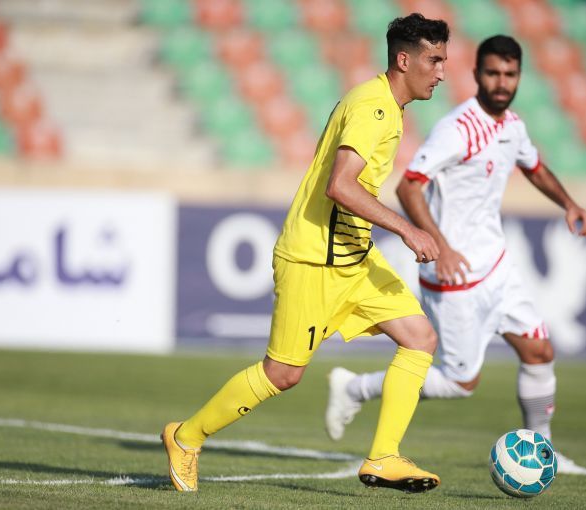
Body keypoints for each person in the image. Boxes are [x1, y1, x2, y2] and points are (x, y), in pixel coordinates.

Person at [161, 13, 450, 493]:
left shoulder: (385, 105)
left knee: (420, 337)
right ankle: (185, 438)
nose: (442, 72)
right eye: (434, 60)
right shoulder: (374, 108)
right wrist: (407, 229)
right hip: (315, 259)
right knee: (283, 374)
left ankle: (384, 457)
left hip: (353, 258)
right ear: (404, 60)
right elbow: (341, 185)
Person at [325, 35, 586, 476]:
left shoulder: (513, 126)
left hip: (497, 267)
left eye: (510, 74)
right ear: (476, 75)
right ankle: (355, 387)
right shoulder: (458, 128)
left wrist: (569, 204)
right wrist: (443, 247)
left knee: (539, 351)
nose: (501, 82)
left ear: (519, 77)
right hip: (453, 276)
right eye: (493, 73)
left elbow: (534, 167)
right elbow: (409, 186)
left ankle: (544, 450)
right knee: (460, 382)